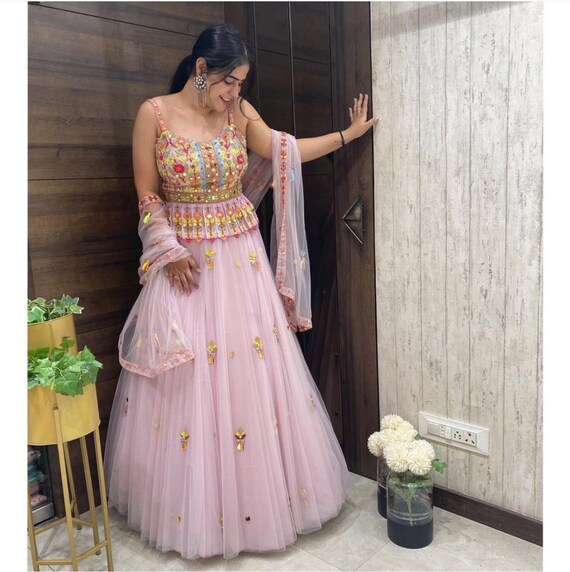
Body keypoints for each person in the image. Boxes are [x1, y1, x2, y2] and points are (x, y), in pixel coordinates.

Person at [104, 23, 378, 560]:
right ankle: (195, 512)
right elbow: (147, 195)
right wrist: (167, 249)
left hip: (241, 262)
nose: (235, 93)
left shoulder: (238, 114)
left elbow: (284, 151)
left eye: (241, 84)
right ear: (201, 70)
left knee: (250, 374)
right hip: (185, 265)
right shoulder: (154, 114)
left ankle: (261, 505)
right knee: (190, 381)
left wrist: (348, 135)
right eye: (230, 81)